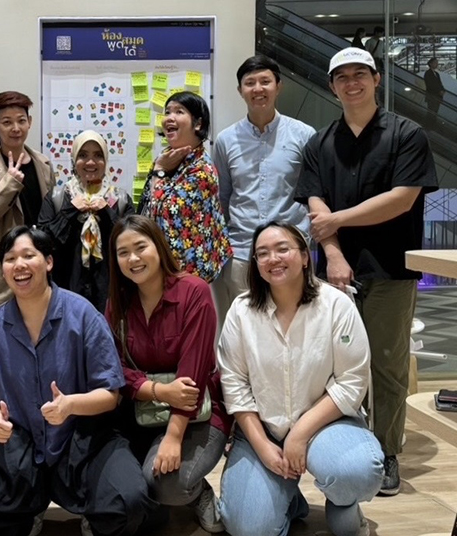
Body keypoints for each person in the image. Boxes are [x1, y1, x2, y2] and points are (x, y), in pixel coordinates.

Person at [0, 226, 154, 536]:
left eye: (29, 255)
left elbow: (111, 393)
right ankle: (25, 514)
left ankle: (95, 517)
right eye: (10, 258)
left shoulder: (83, 315)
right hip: (18, 442)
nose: (20, 265)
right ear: (2, 269)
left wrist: (71, 405)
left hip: (83, 437)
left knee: (131, 500)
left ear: (49, 262)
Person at [294, 47, 438, 497]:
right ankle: (341, 446)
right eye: (342, 76)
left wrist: (338, 220)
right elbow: (316, 207)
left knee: (387, 364)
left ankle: (386, 450)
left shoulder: (407, 134)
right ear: (332, 85)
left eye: (360, 74)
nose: (351, 82)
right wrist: (333, 253)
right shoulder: (320, 142)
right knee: (330, 365)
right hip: (334, 273)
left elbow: (402, 199)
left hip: (392, 269)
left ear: (376, 80)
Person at [217, 222, 384, 536]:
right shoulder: (241, 311)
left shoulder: (337, 305)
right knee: (249, 529)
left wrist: (299, 434)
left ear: (305, 256)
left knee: (357, 472)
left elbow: (351, 381)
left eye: (283, 249)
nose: (273, 258)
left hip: (327, 425)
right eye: (262, 253)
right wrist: (262, 445)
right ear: (255, 263)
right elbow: (235, 385)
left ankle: (344, 502)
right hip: (263, 428)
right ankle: (290, 500)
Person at [106, 214, 232, 534]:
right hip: (141, 411)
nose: (133, 258)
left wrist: (174, 436)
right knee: (122, 486)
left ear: (159, 247)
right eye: (123, 252)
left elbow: (193, 374)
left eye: (140, 247)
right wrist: (157, 390)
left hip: (197, 414)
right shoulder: (117, 303)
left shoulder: (194, 292)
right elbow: (113, 367)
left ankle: (199, 492)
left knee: (167, 484)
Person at [213, 55, 315, 323]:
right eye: (250, 83)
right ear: (240, 91)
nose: (258, 89)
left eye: (265, 81)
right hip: (242, 253)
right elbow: (222, 197)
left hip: (290, 253)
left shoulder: (303, 136)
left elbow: (313, 195)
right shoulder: (225, 140)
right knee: (245, 329)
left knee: (293, 324)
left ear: (278, 86)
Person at [0, 91, 54, 325]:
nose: (15, 128)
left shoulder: (42, 165)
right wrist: (8, 184)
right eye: (7, 122)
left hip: (36, 274)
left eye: (21, 120)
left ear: (29, 122)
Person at [138, 91, 232, 286]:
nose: (169, 118)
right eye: (167, 112)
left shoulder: (201, 169)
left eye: (179, 111)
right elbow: (146, 206)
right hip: (164, 271)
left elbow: (165, 213)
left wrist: (159, 171)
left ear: (198, 124)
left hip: (188, 277)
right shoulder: (168, 157)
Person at [39, 130, 135, 312]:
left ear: (105, 161)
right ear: (74, 160)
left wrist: (106, 212)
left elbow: (131, 243)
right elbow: (43, 245)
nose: (90, 162)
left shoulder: (120, 200)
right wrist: (70, 211)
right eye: (83, 155)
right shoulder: (57, 199)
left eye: (98, 155)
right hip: (65, 296)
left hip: (110, 298)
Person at [424, 57, 446, 129]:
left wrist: (443, 90)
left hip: (437, 97)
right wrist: (439, 91)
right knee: (431, 112)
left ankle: (432, 127)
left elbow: (440, 84)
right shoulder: (428, 73)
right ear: (430, 64)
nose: (437, 64)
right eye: (435, 62)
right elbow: (429, 85)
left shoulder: (436, 74)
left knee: (435, 113)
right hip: (432, 96)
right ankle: (429, 127)